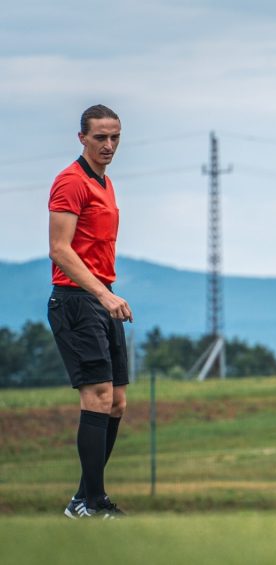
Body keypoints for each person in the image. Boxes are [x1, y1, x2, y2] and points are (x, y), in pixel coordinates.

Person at [48, 104, 132, 519]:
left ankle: (83, 497)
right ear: (82, 138)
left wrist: (107, 294)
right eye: (100, 137)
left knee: (116, 401)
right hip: (77, 301)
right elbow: (60, 251)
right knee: (97, 397)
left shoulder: (106, 183)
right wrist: (103, 295)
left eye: (115, 136)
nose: (109, 145)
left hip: (101, 297)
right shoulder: (70, 182)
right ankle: (95, 504)